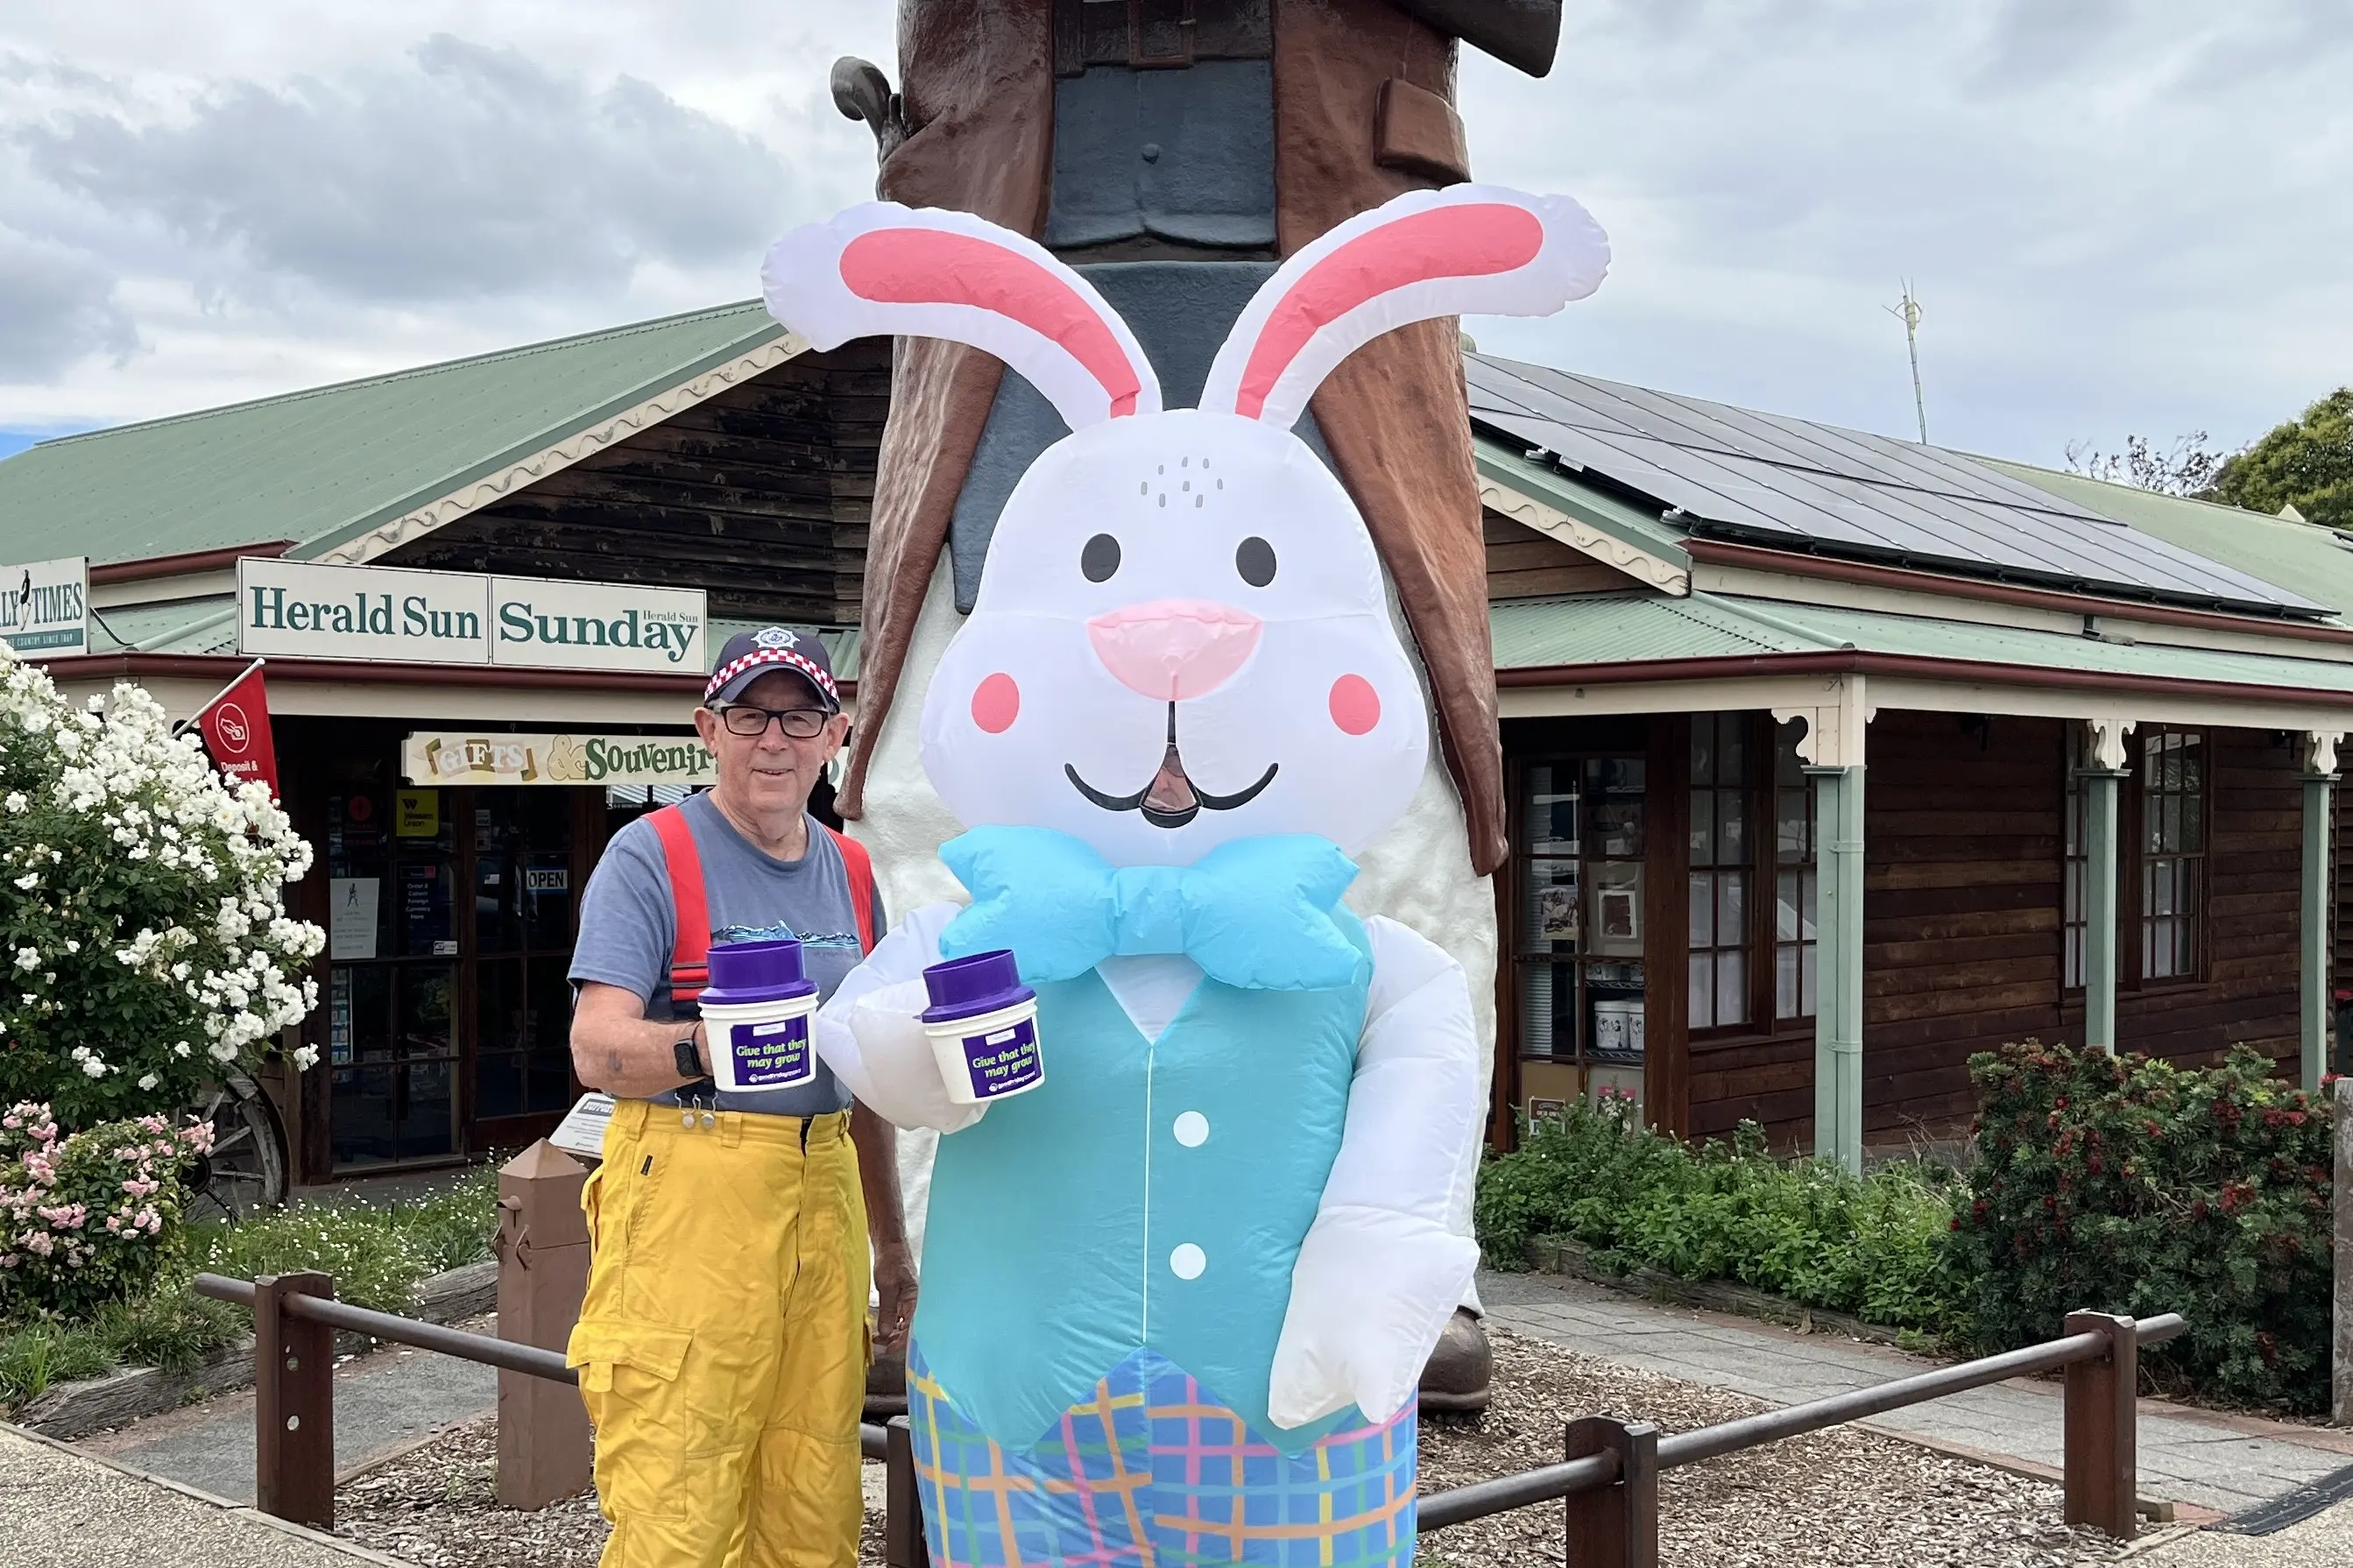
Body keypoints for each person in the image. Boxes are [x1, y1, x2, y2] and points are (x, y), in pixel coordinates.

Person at [565, 626, 914, 1568]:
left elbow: (864, 1072)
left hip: (825, 1185)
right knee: (679, 1502)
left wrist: (891, 1245)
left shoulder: (852, 868)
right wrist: (708, 1041)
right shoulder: (652, 852)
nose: (775, 739)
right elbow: (595, 1047)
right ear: (706, 729)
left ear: (834, 732)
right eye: (750, 714)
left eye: (798, 715)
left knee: (814, 1499)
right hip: (690, 1192)